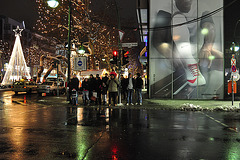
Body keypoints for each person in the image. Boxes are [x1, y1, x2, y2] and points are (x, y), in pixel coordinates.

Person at [152, 0, 223, 87]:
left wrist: (206, 48)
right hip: (177, 51)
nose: (187, 2)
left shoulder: (201, 7)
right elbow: (157, 41)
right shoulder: (166, 10)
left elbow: (210, 27)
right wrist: (170, 54)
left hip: (196, 49)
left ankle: (197, 68)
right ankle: (190, 63)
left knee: (221, 60)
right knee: (178, 18)